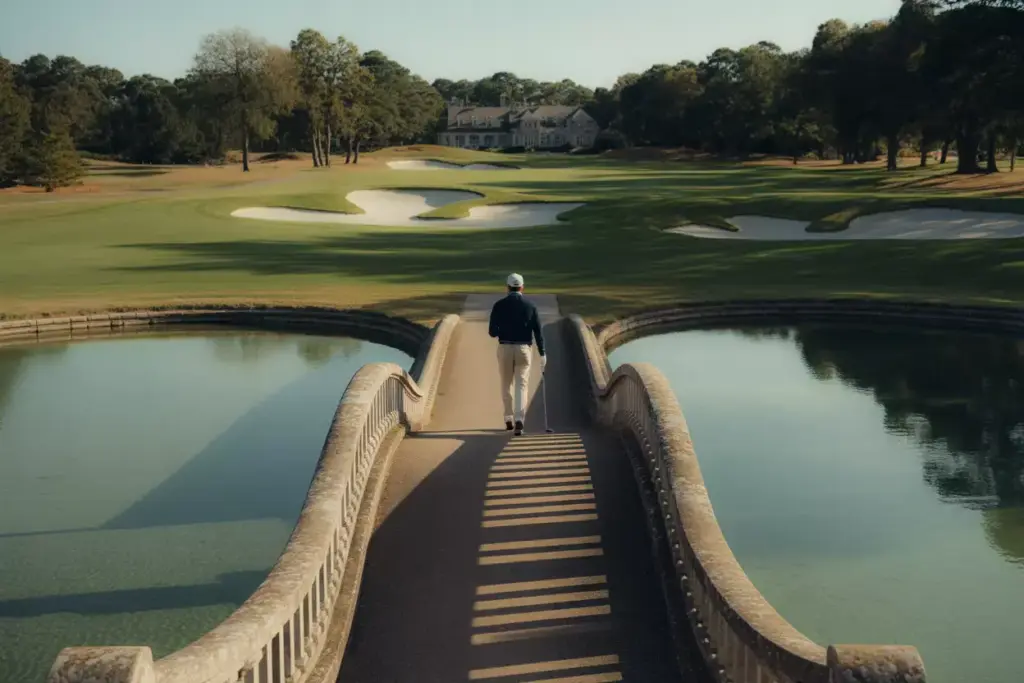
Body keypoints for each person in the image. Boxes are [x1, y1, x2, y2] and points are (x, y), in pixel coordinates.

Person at [488, 273, 546, 435]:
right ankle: (520, 418)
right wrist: (543, 353)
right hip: (524, 350)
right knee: (522, 385)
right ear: (522, 287)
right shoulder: (531, 306)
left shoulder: (499, 305)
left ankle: (508, 418)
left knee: (506, 384)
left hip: (505, 348)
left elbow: (492, 332)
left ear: (507, 287)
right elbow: (538, 333)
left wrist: (504, 330)